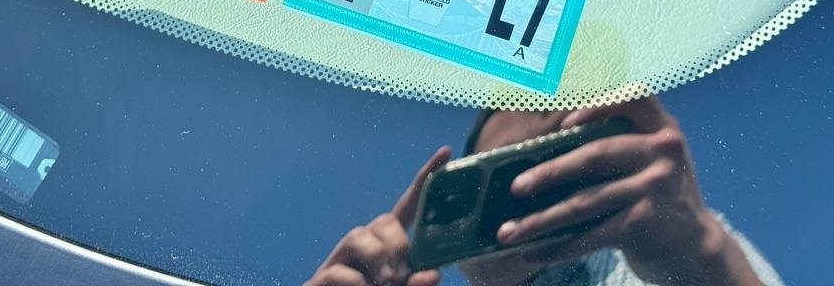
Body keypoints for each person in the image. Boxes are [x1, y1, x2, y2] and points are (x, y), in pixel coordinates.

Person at [305, 96, 783, 286]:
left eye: (559, 172)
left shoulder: (669, 255)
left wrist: (705, 259)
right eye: (507, 179)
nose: (529, 194)